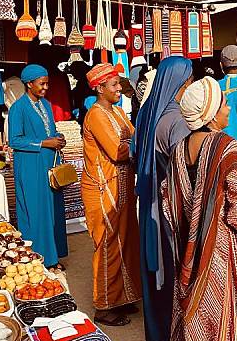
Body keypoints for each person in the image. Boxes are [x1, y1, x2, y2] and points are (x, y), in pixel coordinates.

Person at [162, 77, 237, 341]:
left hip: (191, 254)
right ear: (211, 113)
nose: (228, 109)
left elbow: (169, 199)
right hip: (225, 250)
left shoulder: (179, 149)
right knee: (230, 317)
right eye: (224, 103)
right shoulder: (227, 147)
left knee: (202, 319)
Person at [135, 56, 193, 341]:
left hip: (147, 203)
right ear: (185, 82)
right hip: (168, 208)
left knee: (153, 273)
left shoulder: (146, 112)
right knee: (172, 273)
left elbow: (135, 153)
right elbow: (186, 171)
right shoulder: (177, 120)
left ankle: (155, 338)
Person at [81, 63, 142, 327]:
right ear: (100, 88)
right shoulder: (96, 115)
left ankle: (124, 296)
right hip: (102, 187)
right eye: (115, 84)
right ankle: (104, 306)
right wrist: (139, 142)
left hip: (121, 187)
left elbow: (134, 136)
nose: (119, 89)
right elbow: (118, 151)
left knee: (127, 242)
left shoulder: (116, 112)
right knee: (108, 246)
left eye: (119, 84)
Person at [8, 64, 68, 271]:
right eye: (41, 84)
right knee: (36, 211)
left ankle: (53, 256)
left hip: (48, 164)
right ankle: (39, 259)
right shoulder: (18, 108)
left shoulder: (46, 105)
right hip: (30, 166)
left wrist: (58, 139)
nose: (45, 88)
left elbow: (49, 131)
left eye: (47, 83)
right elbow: (14, 141)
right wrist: (43, 143)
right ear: (29, 84)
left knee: (51, 209)